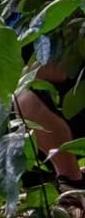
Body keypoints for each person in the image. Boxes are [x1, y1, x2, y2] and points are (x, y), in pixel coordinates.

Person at [14, 60, 85, 196]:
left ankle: (71, 181)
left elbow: (61, 70)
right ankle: (70, 181)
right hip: (33, 139)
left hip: (71, 106)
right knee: (21, 97)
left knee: (24, 97)